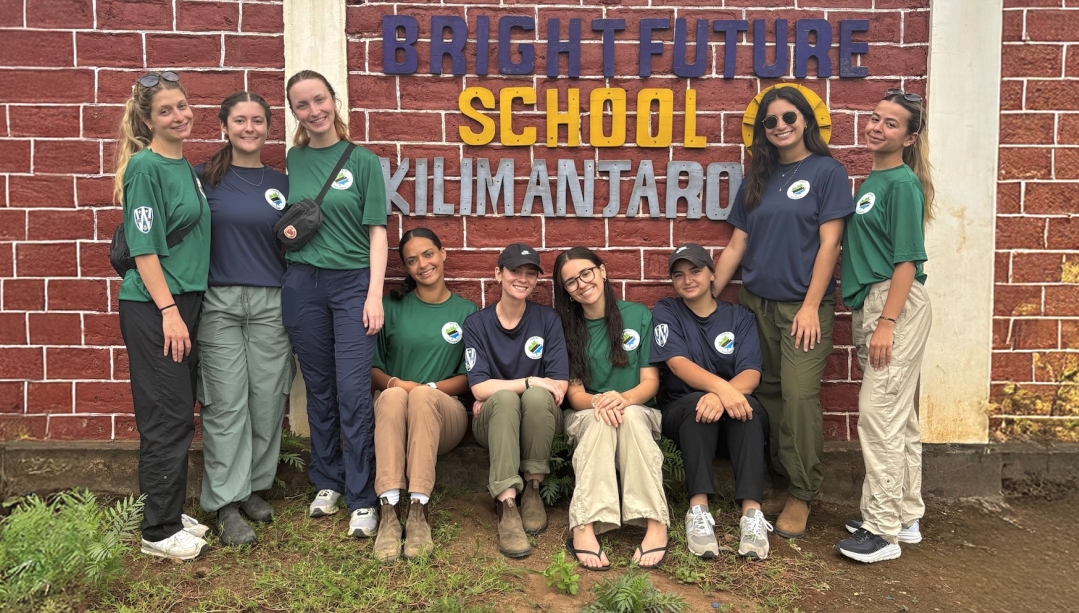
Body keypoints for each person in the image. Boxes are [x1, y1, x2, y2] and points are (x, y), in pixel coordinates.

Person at [711, 85, 854, 539]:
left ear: (806, 121)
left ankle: (802, 492)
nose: (780, 127)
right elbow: (738, 244)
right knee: (767, 397)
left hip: (801, 308)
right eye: (770, 122)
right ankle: (777, 480)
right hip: (755, 306)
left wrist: (811, 306)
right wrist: (708, 297)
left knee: (797, 396)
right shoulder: (759, 176)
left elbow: (831, 243)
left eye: (789, 117)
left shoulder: (827, 172)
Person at [280, 70, 387, 538]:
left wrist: (374, 294)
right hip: (303, 283)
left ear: (334, 100)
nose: (313, 111)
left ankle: (363, 496)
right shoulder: (293, 158)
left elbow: (377, 233)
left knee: (352, 391)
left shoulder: (363, 160)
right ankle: (328, 480)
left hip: (351, 287)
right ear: (294, 113)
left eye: (319, 100)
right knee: (318, 387)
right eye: (302, 105)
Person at [114, 70, 211, 560]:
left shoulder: (184, 165)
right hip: (156, 306)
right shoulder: (145, 168)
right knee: (167, 416)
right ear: (148, 120)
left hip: (183, 303)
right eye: (166, 110)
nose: (180, 115)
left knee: (178, 409)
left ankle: (165, 507)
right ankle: (158, 531)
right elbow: (144, 248)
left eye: (183, 105)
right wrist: (169, 311)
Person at [834, 89, 934, 564]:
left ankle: (882, 530)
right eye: (875, 118)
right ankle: (906, 515)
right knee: (900, 417)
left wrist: (888, 322)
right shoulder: (872, 180)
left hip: (893, 305)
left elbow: (908, 262)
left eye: (891, 124)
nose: (877, 127)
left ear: (909, 138)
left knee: (878, 415)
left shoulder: (902, 185)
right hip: (872, 305)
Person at [194, 92, 291, 546]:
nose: (249, 128)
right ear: (224, 127)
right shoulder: (202, 179)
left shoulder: (284, 182)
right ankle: (225, 503)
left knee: (267, 400)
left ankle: (253, 486)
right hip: (220, 303)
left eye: (257, 121)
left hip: (272, 302)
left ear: (269, 128)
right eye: (239, 120)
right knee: (226, 403)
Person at [652, 243, 773, 561]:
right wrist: (722, 392)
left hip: (732, 408)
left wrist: (724, 396)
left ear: (712, 274)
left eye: (695, 271)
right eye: (678, 274)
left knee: (749, 412)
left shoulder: (739, 316)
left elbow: (751, 374)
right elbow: (677, 364)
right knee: (697, 407)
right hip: (683, 411)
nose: (687, 279)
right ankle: (698, 512)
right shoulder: (668, 310)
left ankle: (752, 516)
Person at [552, 247, 669, 571]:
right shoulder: (565, 328)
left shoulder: (638, 315)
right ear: (567, 293)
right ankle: (585, 524)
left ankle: (654, 521)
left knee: (628, 416)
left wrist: (623, 399)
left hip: (636, 407)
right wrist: (600, 401)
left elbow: (649, 383)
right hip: (588, 411)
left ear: (602, 271)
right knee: (602, 420)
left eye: (585, 273)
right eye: (571, 282)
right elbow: (574, 394)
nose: (581, 284)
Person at [369, 228, 477, 562]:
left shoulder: (467, 311)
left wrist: (425, 390)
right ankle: (389, 511)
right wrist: (401, 387)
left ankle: (418, 511)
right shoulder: (389, 307)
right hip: (395, 410)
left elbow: (471, 376)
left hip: (445, 416)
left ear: (443, 253)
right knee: (392, 397)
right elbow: (372, 369)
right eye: (412, 260)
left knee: (420, 397)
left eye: (428, 254)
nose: (423, 265)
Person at [463, 244, 569, 559]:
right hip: (493, 423)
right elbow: (479, 388)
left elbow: (558, 385)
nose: (522, 279)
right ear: (498, 274)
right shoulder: (476, 324)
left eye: (530, 273)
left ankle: (533, 487)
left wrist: (507, 390)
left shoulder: (548, 320)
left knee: (532, 396)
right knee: (510, 398)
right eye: (514, 271)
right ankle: (507, 503)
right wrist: (527, 382)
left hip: (539, 418)